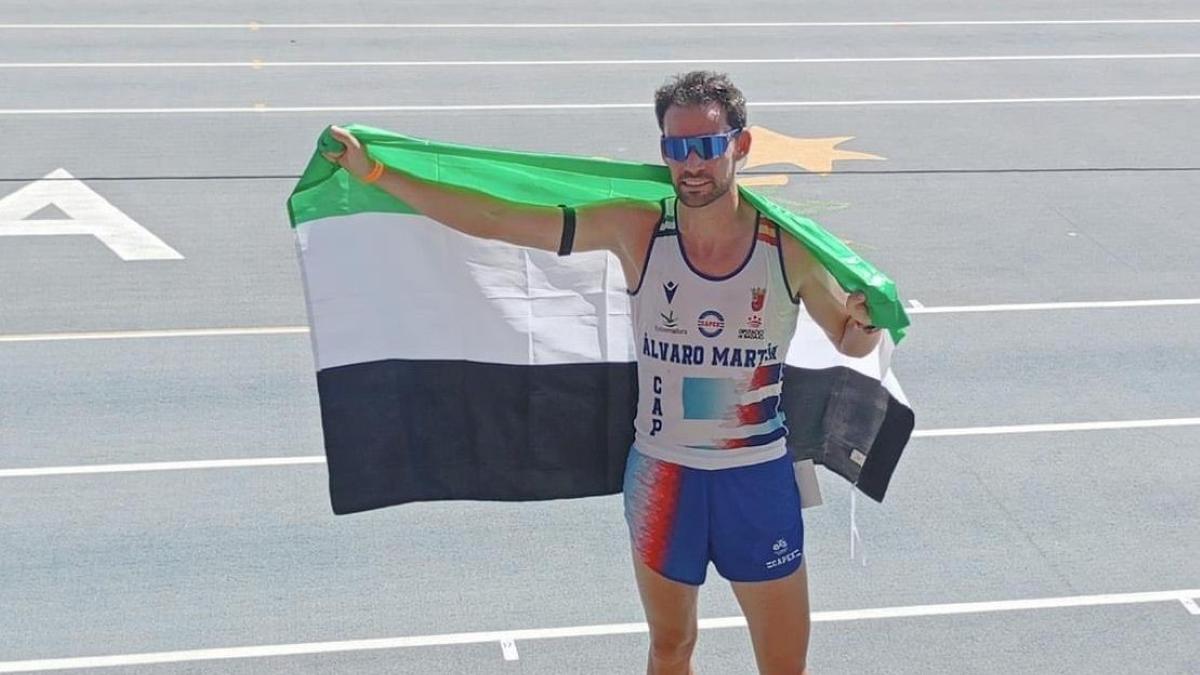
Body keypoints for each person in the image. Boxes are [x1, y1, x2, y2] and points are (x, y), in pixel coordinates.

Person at [324, 70, 882, 675]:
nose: (689, 165)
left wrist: (867, 322)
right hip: (665, 478)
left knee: (782, 667)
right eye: (674, 148)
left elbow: (849, 340)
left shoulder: (788, 248)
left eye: (705, 147)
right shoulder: (638, 229)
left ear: (741, 146)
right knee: (671, 648)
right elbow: (497, 218)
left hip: (756, 480)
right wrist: (378, 174)